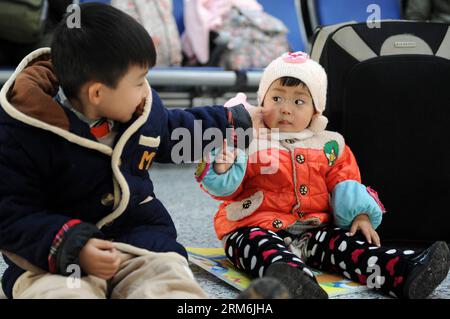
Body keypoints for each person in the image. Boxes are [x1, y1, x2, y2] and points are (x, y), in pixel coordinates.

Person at [0, 3, 262, 299]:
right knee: (59, 293)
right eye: (138, 82)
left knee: (166, 280)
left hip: (138, 240)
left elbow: (177, 131)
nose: (145, 91)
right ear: (97, 93)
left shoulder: (137, 111)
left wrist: (235, 121)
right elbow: (11, 214)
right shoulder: (23, 130)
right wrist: (72, 245)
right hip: (57, 258)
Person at [195, 51, 450, 299]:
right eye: (277, 98)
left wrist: (360, 214)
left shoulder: (329, 144)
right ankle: (293, 281)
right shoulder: (249, 140)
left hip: (314, 229)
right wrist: (221, 167)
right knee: (260, 249)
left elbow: (344, 180)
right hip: (254, 226)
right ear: (262, 102)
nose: (286, 109)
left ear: (316, 111)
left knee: (350, 247)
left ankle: (403, 271)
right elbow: (228, 190)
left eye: (299, 101)